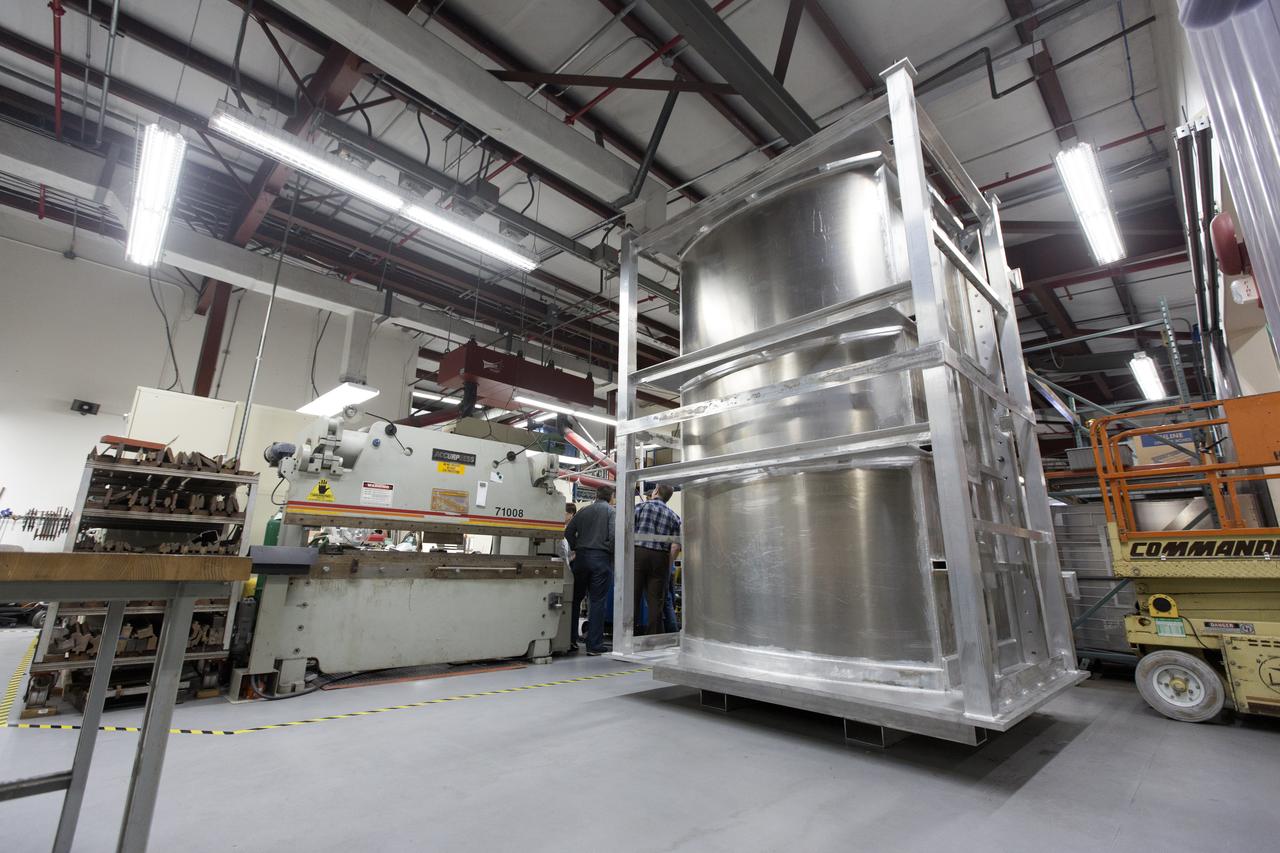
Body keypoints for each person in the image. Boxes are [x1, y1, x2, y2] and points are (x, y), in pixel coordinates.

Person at [563, 485, 615, 655]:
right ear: (611, 496)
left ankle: (569, 640)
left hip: (581, 559)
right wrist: (611, 554)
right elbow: (614, 536)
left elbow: (569, 531)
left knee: (575, 600)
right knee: (597, 601)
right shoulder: (610, 511)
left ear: (597, 495)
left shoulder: (584, 511)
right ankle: (594, 645)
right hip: (600, 559)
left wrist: (577, 547)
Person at [633, 484, 681, 635]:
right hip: (660, 558)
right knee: (656, 603)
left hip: (639, 554)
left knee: (633, 597)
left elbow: (627, 531)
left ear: (655, 491)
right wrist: (667, 564)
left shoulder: (640, 507)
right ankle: (654, 638)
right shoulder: (673, 516)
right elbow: (675, 546)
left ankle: (628, 635)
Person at [560, 502, 584, 652]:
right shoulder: (564, 529)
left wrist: (572, 557)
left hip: (573, 568)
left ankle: (571, 638)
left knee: (573, 604)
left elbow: (571, 552)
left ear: (570, 514)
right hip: (569, 566)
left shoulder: (572, 530)